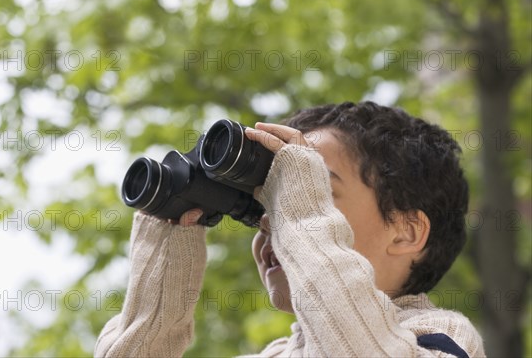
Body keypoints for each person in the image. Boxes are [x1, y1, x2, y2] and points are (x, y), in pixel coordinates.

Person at [95, 101, 485, 357]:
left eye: (316, 193)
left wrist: (298, 210)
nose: (272, 218)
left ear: (405, 231)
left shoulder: (441, 336)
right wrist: (159, 287)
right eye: (266, 203)